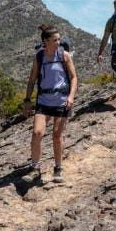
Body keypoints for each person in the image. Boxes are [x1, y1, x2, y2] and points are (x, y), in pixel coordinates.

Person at [23, 24, 78, 183]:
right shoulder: (39, 56)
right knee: (37, 133)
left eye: (59, 39)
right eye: (55, 40)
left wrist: (71, 96)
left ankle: (58, 168)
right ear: (46, 41)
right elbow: (32, 79)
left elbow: (74, 77)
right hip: (43, 101)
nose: (59, 42)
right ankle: (35, 168)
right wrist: (27, 100)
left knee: (56, 136)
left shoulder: (65, 56)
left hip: (61, 101)